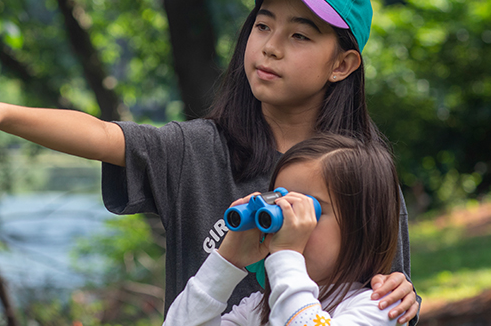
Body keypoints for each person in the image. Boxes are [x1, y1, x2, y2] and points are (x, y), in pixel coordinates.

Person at [0, 0, 419, 324]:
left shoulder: (365, 177)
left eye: (300, 36)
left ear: (342, 64)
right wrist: (1, 112)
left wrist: (404, 298)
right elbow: (101, 135)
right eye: (262, 25)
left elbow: (383, 297)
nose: (270, 47)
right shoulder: (196, 150)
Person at [164, 134, 403, 326]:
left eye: (308, 210)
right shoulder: (257, 309)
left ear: (364, 227)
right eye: (279, 206)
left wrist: (287, 254)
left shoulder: (381, 307)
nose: (288, 223)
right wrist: (227, 261)